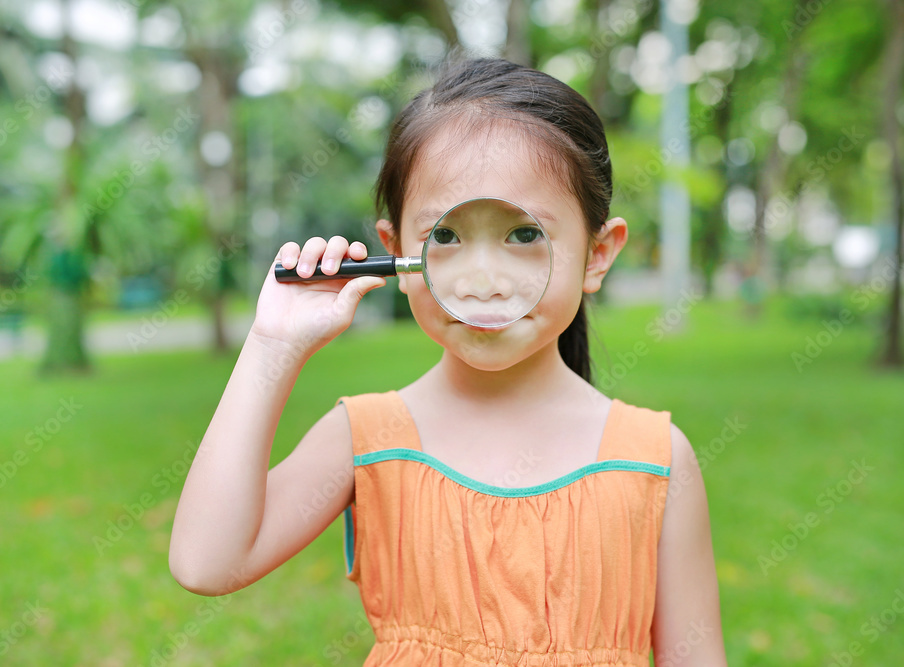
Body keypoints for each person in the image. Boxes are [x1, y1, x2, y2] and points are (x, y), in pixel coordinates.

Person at [169, 57, 728, 666]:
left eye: (524, 235)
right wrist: (274, 344)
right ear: (396, 252)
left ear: (597, 254)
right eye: (445, 235)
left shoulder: (655, 458)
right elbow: (206, 562)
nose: (482, 282)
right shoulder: (366, 438)